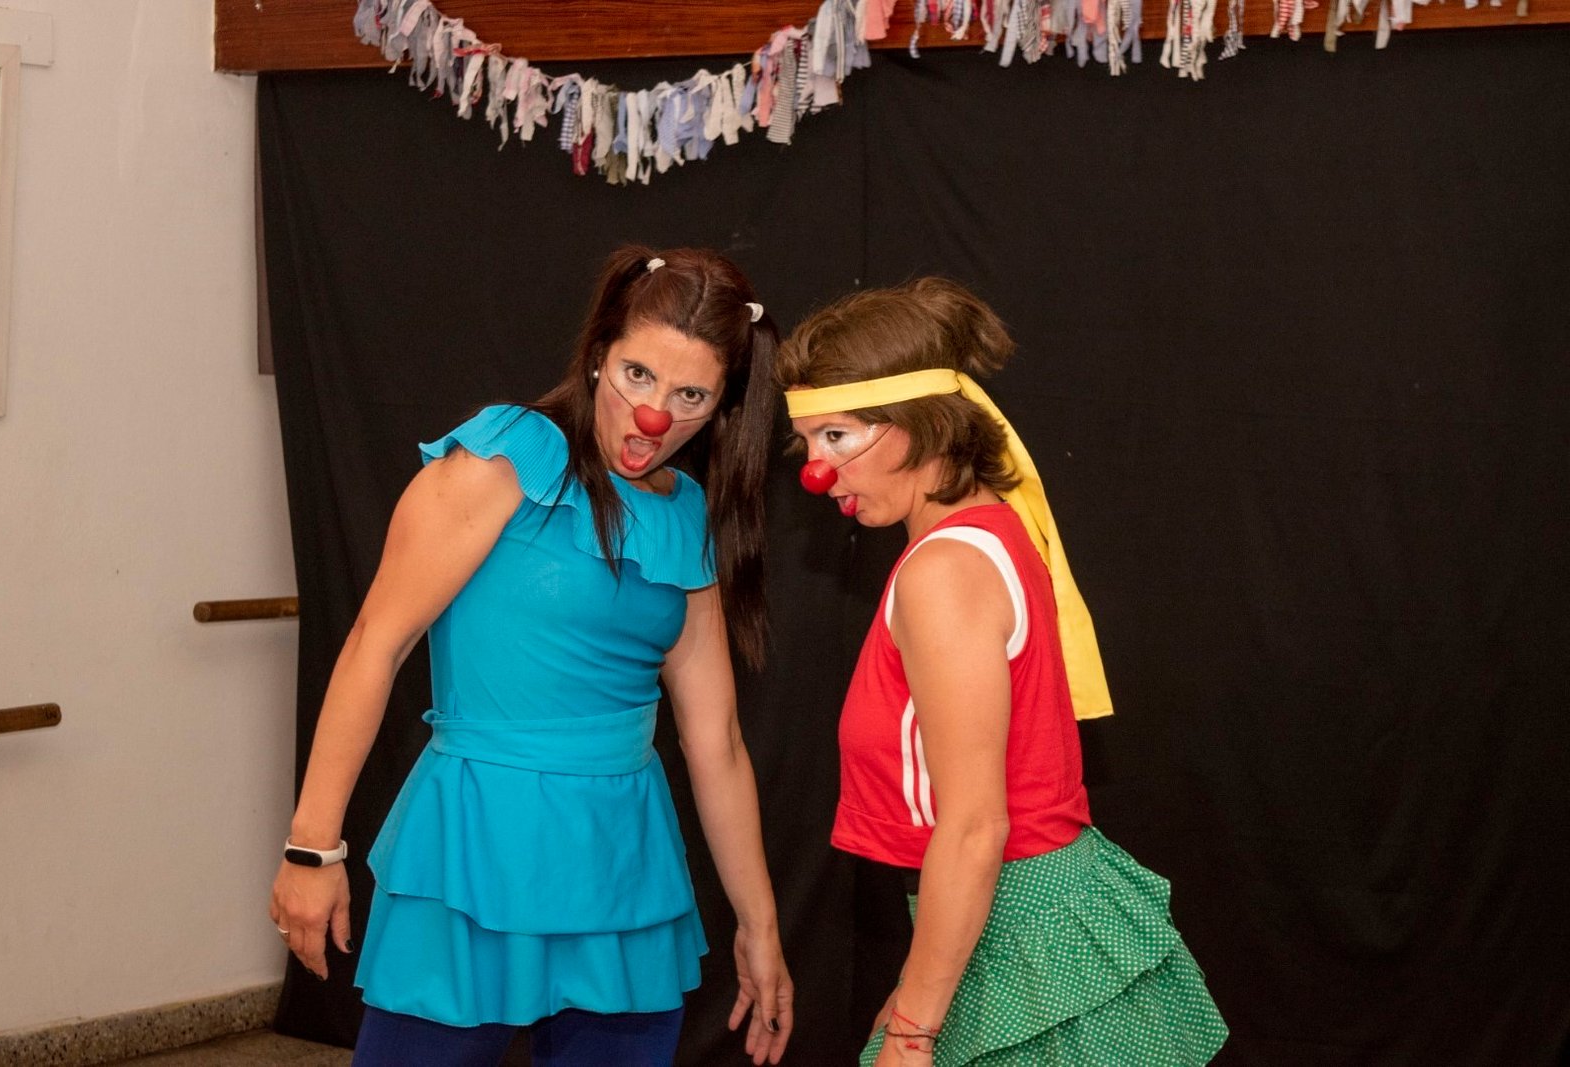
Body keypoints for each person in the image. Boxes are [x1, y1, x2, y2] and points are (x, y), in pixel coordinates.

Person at [270, 246, 794, 1067]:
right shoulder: (507, 455)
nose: (654, 415)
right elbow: (377, 642)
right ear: (600, 355)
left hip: (621, 864)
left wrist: (761, 926)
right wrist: (312, 847)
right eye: (639, 374)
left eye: (690, 394)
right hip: (477, 844)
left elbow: (716, 740)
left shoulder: (686, 514)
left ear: (723, 404)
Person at [777, 278, 1227, 1066]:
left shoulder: (943, 572)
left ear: (923, 422)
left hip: (1022, 927)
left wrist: (913, 1028)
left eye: (838, 437)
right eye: (807, 442)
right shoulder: (992, 528)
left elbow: (976, 826)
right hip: (1009, 922)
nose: (816, 471)